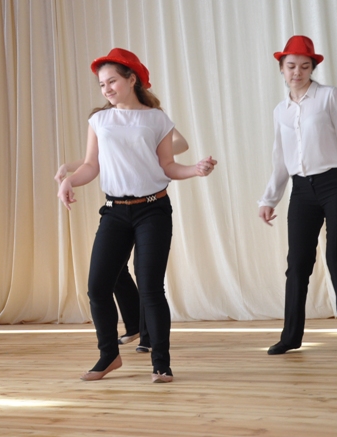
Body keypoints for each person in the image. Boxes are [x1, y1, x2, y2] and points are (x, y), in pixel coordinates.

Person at [57, 47, 216, 384]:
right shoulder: (99, 121)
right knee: (97, 287)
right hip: (115, 212)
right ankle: (108, 356)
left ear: (132, 80)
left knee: (150, 288)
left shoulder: (157, 119)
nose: (106, 89)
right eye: (102, 84)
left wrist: (195, 169)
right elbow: (91, 166)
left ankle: (161, 363)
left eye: (112, 81)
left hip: (153, 210)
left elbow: (168, 166)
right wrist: (69, 181)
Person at [258, 35, 337, 357]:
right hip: (302, 190)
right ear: (281, 69)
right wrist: (269, 199)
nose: (297, 72)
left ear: (312, 68)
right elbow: (280, 159)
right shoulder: (280, 111)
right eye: (291, 66)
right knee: (297, 263)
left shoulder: (329, 96)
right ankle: (290, 338)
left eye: (304, 66)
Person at [55, 129, 190, 353]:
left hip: (150, 206)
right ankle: (134, 325)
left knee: (145, 275)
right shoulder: (108, 119)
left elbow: (182, 144)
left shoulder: (152, 116)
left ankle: (148, 337)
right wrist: (68, 167)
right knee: (112, 272)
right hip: (118, 208)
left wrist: (149, 151)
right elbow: (100, 157)